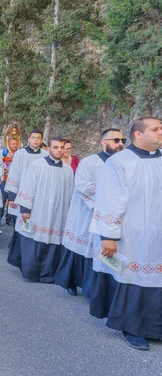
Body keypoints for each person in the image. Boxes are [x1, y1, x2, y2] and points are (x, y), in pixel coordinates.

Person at [88, 117, 162, 351]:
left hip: (159, 233)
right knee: (133, 277)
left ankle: (156, 326)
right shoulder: (120, 162)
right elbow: (108, 200)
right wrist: (108, 236)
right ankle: (132, 327)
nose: (161, 132)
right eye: (156, 129)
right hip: (132, 235)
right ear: (138, 134)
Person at [54, 129, 125, 296]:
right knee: (80, 249)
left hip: (111, 217)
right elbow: (82, 186)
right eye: (116, 140)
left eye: (122, 140)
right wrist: (105, 199)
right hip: (86, 214)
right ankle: (71, 281)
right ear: (103, 142)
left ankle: (95, 288)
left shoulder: (124, 163)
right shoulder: (89, 162)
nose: (120, 144)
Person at [13, 137, 74, 282]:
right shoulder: (36, 165)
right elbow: (28, 187)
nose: (59, 150)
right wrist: (25, 210)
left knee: (53, 240)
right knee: (35, 239)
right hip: (39, 209)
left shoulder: (68, 170)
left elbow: (71, 193)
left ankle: (49, 274)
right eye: (56, 147)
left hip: (59, 212)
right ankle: (32, 272)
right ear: (49, 149)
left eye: (61, 147)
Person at [5, 130, 48, 268]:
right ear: (29, 139)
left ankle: (34, 257)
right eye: (33, 138)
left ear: (41, 140)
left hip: (40, 198)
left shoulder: (45, 155)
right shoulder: (20, 154)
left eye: (38, 138)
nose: (35, 140)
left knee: (36, 227)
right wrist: (11, 196)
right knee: (23, 226)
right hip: (23, 196)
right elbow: (14, 173)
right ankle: (20, 256)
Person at [1, 137, 19, 226]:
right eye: (12, 144)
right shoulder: (3, 153)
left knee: (13, 201)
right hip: (4, 180)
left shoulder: (20, 154)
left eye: (16, 144)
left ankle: (10, 218)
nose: (14, 146)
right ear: (8, 144)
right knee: (3, 200)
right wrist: (2, 171)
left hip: (15, 182)